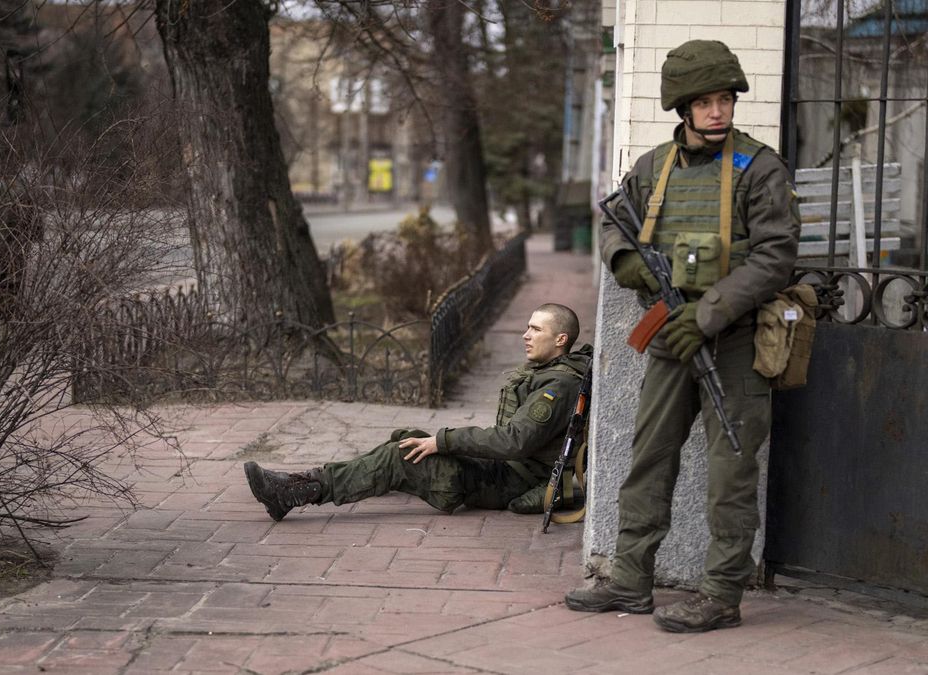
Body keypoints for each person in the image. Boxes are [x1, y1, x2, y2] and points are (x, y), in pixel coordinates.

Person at [563, 40, 800, 633]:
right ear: (683, 108)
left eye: (725, 100)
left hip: (736, 340)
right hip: (670, 337)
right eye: (704, 102)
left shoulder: (760, 168)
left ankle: (720, 595)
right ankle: (629, 579)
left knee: (731, 473)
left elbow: (775, 257)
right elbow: (613, 223)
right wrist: (628, 264)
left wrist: (709, 313)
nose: (717, 111)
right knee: (649, 459)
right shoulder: (654, 169)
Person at [243, 303, 592, 522]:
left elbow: (513, 442)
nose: (525, 335)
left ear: (560, 340)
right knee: (406, 440)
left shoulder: (557, 386)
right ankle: (326, 480)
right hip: (502, 469)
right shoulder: (551, 373)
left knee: (401, 457)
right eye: (527, 327)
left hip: (506, 481)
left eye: (536, 329)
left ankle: (294, 491)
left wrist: (444, 441)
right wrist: (440, 442)